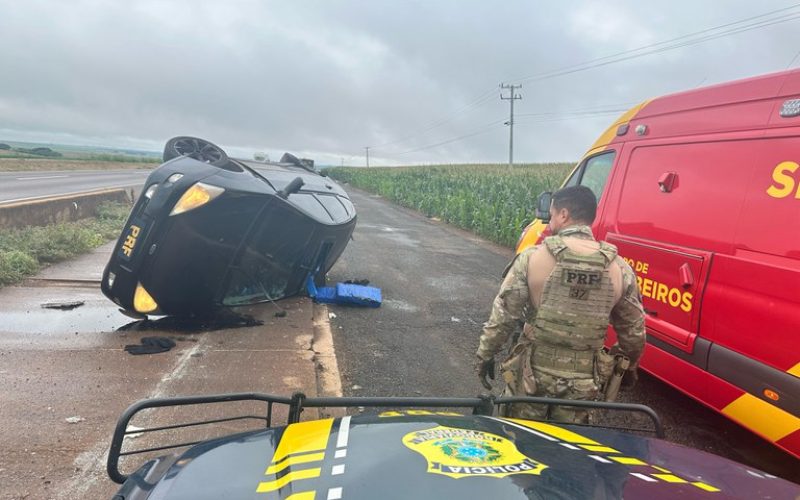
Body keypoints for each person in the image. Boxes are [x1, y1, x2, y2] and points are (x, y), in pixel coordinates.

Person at [475, 185, 645, 423]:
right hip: (583, 387)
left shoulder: (531, 258)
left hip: (531, 377)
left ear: (563, 214)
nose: (551, 220)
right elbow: (634, 333)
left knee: (523, 442)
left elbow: (503, 317)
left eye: (553, 214)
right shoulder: (620, 268)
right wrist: (627, 369)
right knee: (570, 448)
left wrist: (485, 355)